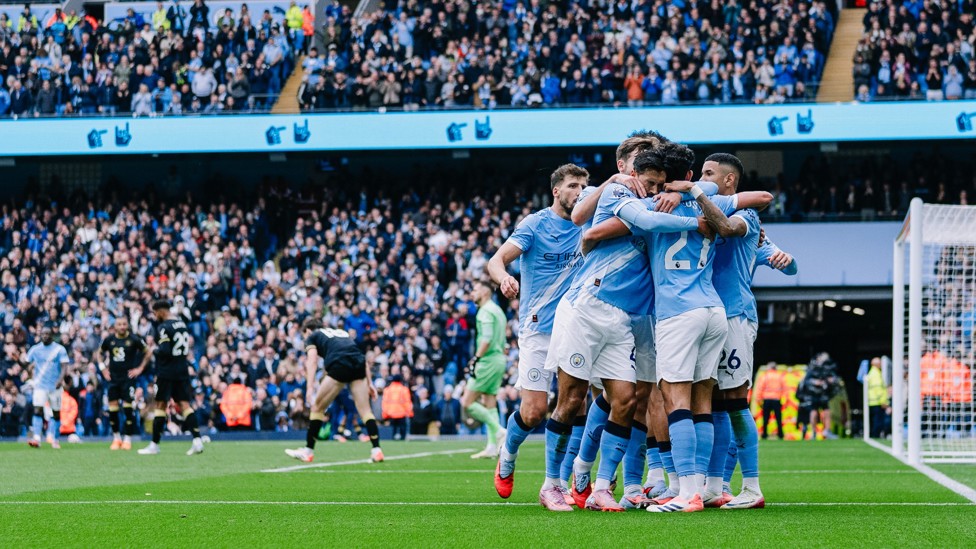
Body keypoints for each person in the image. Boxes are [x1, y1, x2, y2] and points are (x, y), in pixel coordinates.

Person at [583, 143, 772, 512]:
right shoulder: (709, 201)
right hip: (713, 310)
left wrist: (591, 234)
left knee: (674, 399)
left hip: (677, 313)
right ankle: (703, 486)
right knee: (703, 403)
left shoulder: (649, 206)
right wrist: (694, 191)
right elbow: (756, 198)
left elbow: (597, 228)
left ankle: (686, 492)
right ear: (688, 176)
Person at [539, 147, 714, 512]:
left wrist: (684, 191)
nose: (653, 191)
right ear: (632, 173)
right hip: (587, 307)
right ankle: (552, 483)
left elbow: (716, 191)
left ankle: (602, 486)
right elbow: (642, 220)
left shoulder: (659, 198)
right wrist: (692, 221)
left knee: (625, 400)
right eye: (649, 183)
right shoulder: (618, 191)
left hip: (623, 317)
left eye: (660, 185)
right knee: (571, 399)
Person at [679, 152, 796, 509]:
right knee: (712, 403)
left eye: (709, 173)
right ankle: (714, 485)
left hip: (734, 317)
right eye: (700, 174)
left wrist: (786, 260)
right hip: (708, 316)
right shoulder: (704, 214)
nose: (702, 179)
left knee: (733, 401)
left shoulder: (747, 217)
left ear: (729, 181)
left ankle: (752, 487)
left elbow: (788, 266)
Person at [487, 163, 588, 499]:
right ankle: (507, 454)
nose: (579, 192)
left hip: (575, 327)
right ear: (556, 191)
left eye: (583, 186)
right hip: (537, 328)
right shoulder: (535, 224)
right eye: (572, 186)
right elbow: (496, 260)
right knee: (533, 412)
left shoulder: (589, 221)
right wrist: (504, 277)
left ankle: (565, 481)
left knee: (576, 404)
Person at [285, 319, 383, 463]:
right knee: (365, 411)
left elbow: (312, 361)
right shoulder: (341, 333)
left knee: (317, 408)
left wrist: (310, 387)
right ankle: (377, 450)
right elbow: (359, 356)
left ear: (308, 330)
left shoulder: (313, 336)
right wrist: (370, 383)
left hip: (339, 364)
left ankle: (308, 451)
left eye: (304, 335)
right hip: (358, 365)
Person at [138, 300, 206, 456]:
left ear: (161, 311)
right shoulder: (181, 324)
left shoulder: (164, 327)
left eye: (155, 313)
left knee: (160, 405)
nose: (155, 316)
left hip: (167, 371)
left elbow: (165, 350)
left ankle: (154, 444)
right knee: (185, 405)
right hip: (181, 369)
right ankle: (197, 440)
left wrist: (153, 349)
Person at [461, 279, 508, 459]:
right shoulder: (498, 310)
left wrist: (476, 358)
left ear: (485, 292)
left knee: (467, 403)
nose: (472, 293)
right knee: (489, 401)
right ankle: (492, 447)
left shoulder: (485, 311)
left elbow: (486, 338)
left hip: (488, 360)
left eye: (475, 290)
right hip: (499, 359)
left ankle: (499, 431)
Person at [94, 317, 151, 450]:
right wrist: (103, 368)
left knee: (128, 409)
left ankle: (127, 439)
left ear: (127, 325)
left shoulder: (134, 339)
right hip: (113, 379)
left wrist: (140, 368)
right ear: (115, 326)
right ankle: (116, 438)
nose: (122, 327)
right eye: (119, 324)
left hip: (128, 379)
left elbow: (148, 352)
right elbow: (99, 353)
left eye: (124, 324)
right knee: (113, 409)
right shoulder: (109, 340)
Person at [23, 326, 70, 449]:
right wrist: (18, 360)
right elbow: (26, 363)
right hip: (40, 385)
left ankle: (55, 439)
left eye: (47, 334)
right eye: (43, 334)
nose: (45, 336)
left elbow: (64, 366)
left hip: (54, 386)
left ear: (52, 335)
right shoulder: (35, 349)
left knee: (55, 413)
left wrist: (60, 380)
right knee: (37, 410)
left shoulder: (59, 349)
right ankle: (37, 438)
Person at [757, 363, 786, 440]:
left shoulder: (765, 376)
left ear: (769, 368)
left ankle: (764, 434)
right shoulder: (780, 376)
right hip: (777, 399)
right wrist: (783, 401)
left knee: (765, 418)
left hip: (767, 399)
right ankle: (780, 434)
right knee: (778, 418)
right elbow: (784, 389)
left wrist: (759, 400)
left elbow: (760, 388)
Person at [381, 374, 413, 440]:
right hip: (402, 413)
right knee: (402, 429)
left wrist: (385, 413)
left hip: (391, 413)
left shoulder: (387, 390)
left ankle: (392, 439)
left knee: (392, 430)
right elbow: (407, 402)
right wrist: (410, 413)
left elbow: (385, 402)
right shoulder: (404, 389)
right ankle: (402, 439)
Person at [865, 357, 890, 438]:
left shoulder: (873, 373)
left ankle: (874, 435)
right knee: (878, 421)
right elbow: (878, 389)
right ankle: (875, 436)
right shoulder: (876, 374)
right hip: (877, 402)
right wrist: (883, 401)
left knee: (875, 421)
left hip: (873, 402)